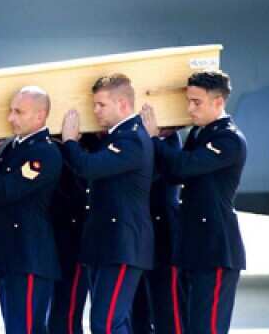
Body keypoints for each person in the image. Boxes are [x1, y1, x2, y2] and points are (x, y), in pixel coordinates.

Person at [141, 71, 246, 334]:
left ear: (218, 102)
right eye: (189, 101)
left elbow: (184, 166)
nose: (190, 108)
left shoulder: (228, 139)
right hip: (194, 247)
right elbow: (174, 174)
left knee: (206, 328)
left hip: (215, 249)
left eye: (196, 102)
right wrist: (164, 139)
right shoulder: (200, 134)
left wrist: (155, 138)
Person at [59, 74, 155, 334]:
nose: (95, 111)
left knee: (107, 323)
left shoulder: (131, 139)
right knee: (108, 322)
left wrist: (69, 140)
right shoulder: (116, 137)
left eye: (101, 105)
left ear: (123, 104)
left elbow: (88, 167)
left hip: (123, 244)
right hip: (107, 244)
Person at [0, 86, 62, 334]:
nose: (10, 118)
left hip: (30, 257)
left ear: (40, 116)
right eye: (10, 111)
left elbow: (5, 192)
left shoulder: (44, 153)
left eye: (19, 112)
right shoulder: (12, 149)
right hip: (11, 255)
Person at [131, 128, 186, 334]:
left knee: (167, 307)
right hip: (136, 235)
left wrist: (152, 137)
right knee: (137, 309)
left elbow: (165, 171)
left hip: (162, 234)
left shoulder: (167, 140)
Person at [50, 133, 99, 334]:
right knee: (56, 316)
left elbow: (80, 186)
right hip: (54, 238)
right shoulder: (51, 146)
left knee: (66, 314)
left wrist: (70, 143)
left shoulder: (94, 146)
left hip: (75, 238)